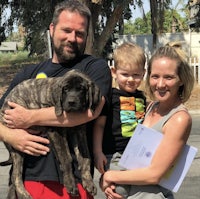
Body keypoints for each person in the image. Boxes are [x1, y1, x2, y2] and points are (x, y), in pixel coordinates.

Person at [0, 1, 111, 199]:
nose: (72, 38)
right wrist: (11, 137)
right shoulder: (28, 73)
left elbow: (90, 111)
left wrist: (28, 118)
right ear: (52, 29)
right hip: (29, 182)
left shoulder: (94, 67)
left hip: (74, 185)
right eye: (66, 30)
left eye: (80, 33)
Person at [100, 42, 195, 199]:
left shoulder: (179, 118)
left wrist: (110, 176)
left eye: (169, 77)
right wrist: (110, 185)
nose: (160, 84)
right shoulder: (150, 107)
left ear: (181, 80)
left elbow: (154, 175)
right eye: (155, 76)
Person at [93, 42, 146, 198]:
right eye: (125, 74)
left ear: (143, 73)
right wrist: (98, 152)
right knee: (119, 192)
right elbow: (100, 125)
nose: (130, 79)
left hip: (137, 155)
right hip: (115, 155)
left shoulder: (142, 98)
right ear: (114, 72)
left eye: (136, 75)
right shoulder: (110, 97)